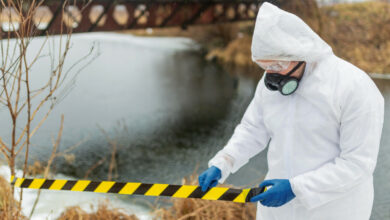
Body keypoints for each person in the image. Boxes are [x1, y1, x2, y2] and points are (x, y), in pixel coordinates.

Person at [198, 2, 384, 220]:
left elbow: (357, 164)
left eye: (277, 66)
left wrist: (296, 188)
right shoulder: (271, 86)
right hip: (278, 210)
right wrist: (224, 162)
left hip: (334, 210)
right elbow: (253, 129)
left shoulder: (352, 86)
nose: (272, 74)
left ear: (300, 53)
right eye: (266, 67)